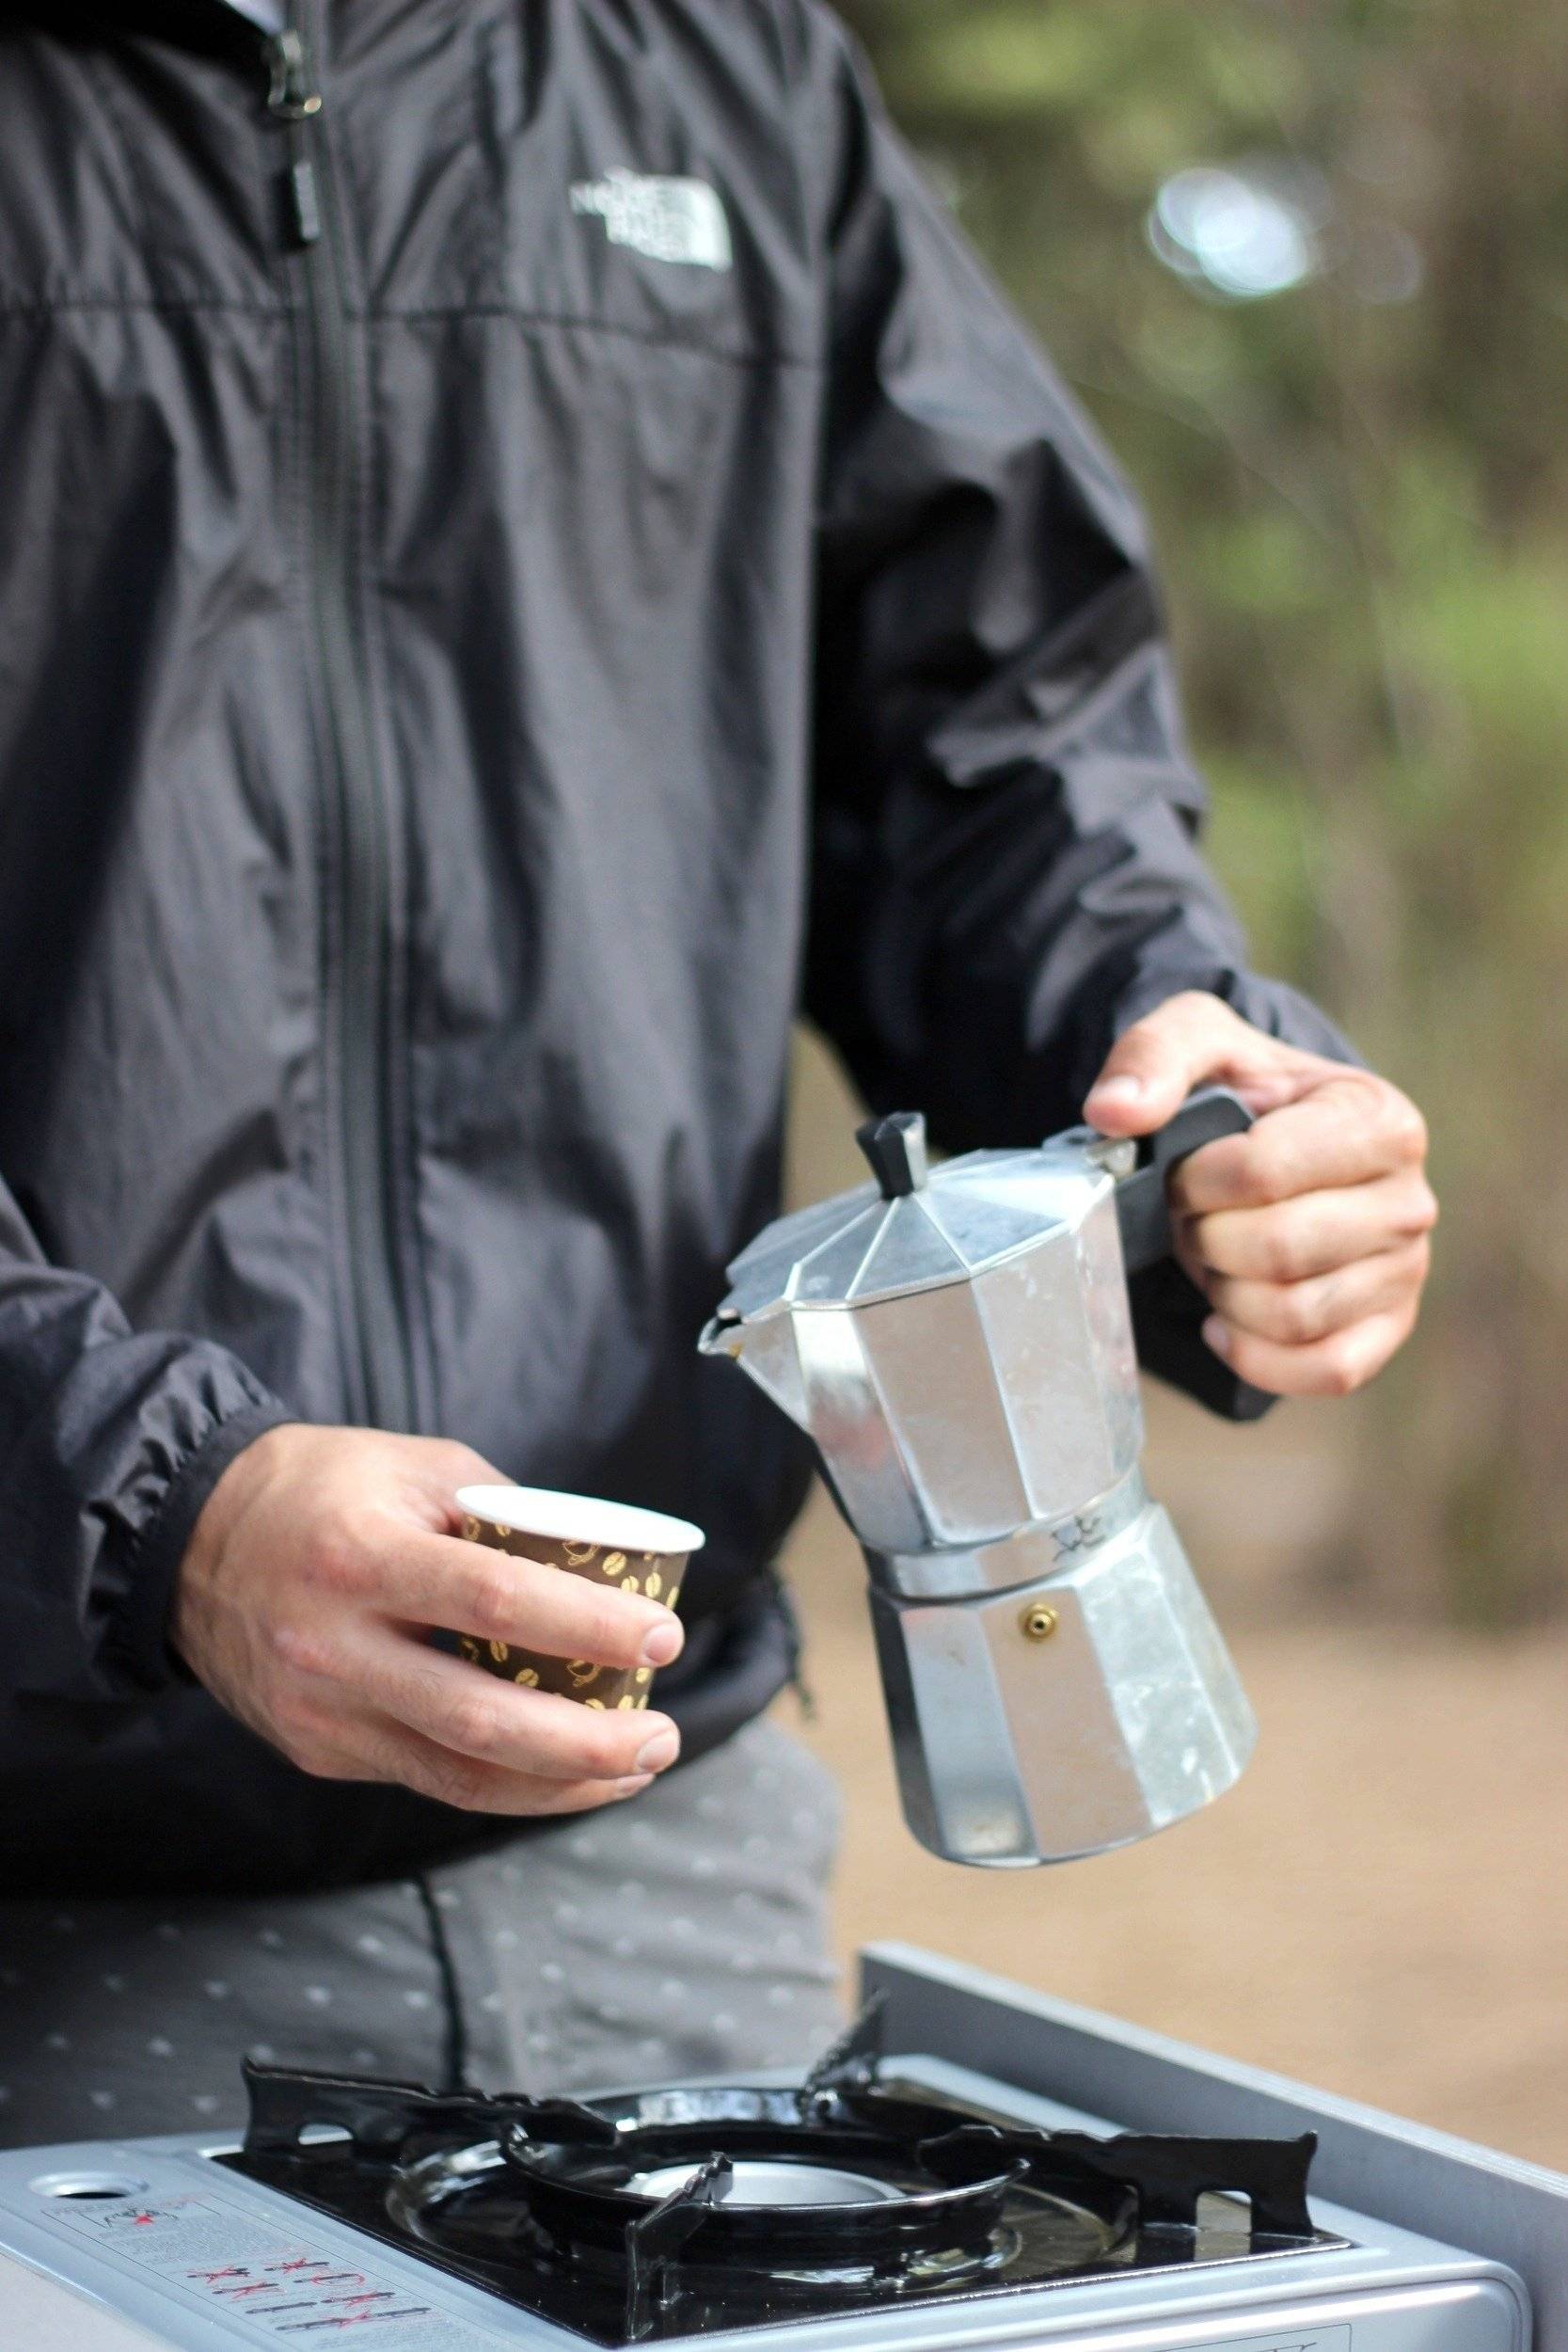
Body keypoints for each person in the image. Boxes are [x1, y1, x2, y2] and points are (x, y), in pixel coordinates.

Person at [0, 0, 1435, 2146]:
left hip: (667, 1849)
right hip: (45, 1883)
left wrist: (1200, 1088)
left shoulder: (723, 67)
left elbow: (994, 748)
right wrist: (150, 1503)